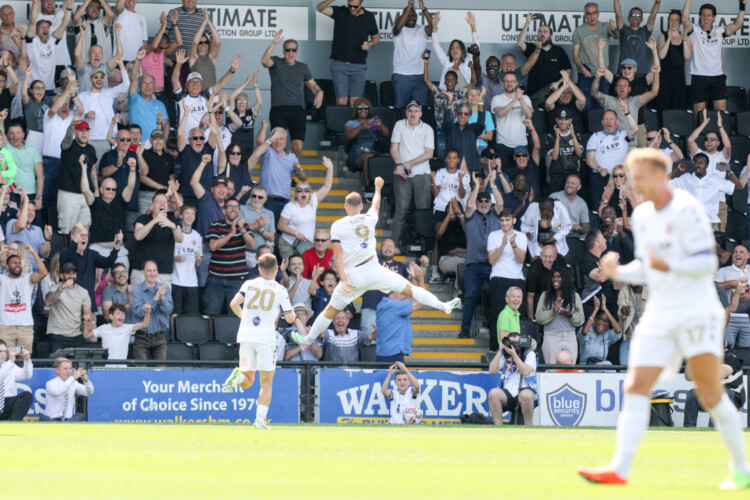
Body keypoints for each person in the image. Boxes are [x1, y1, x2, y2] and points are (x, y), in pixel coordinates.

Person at [577, 148, 750, 490]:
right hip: (662, 311)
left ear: (661, 176)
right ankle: (619, 468)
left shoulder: (688, 210)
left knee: (709, 392)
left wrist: (665, 264)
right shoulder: (642, 216)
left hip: (697, 310)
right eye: (632, 179)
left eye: (639, 178)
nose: (633, 186)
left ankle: (742, 468)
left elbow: (707, 264)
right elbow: (647, 266)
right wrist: (617, 271)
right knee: (636, 385)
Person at [290, 178, 461, 351]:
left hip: (353, 276)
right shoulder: (369, 218)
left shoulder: (338, 225)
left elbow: (338, 255)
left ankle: (307, 340)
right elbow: (376, 204)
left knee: (329, 311)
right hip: (374, 270)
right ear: (361, 207)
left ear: (346, 207)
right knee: (412, 289)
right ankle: (443, 305)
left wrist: (344, 279)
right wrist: (378, 187)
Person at [223, 253, 307, 429]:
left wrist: (245, 318)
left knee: (247, 380)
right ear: (277, 269)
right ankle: (260, 421)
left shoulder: (249, 284)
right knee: (266, 383)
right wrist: (291, 316)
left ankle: (238, 376)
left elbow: (233, 304)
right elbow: (290, 318)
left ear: (259, 269)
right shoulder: (280, 290)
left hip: (246, 335)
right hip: (265, 338)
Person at [261, 31, 323, 161]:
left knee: (298, 146)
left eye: (293, 50)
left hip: (297, 110)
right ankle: (277, 169)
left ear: (297, 52)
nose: (291, 52)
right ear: (283, 51)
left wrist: (320, 92)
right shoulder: (276, 62)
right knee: (277, 143)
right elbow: (264, 61)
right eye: (287, 49)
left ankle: (293, 170)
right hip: (278, 109)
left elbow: (313, 85)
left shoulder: (303, 67)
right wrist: (273, 43)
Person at [682, 0, 746, 119]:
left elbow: (737, 25)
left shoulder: (719, 31)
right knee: (699, 112)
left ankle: (720, 131)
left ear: (714, 17)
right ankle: (697, 131)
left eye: (709, 15)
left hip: (717, 77)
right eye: (703, 15)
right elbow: (685, 20)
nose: (706, 18)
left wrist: (742, 7)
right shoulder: (695, 30)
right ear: (700, 16)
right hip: (699, 77)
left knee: (720, 111)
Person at [459, 172, 505, 338]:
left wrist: (493, 185)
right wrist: (477, 187)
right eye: (481, 201)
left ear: (491, 204)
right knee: (471, 295)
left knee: (497, 297)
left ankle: (495, 329)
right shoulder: (470, 217)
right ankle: (465, 330)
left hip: (494, 265)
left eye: (487, 201)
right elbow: (469, 206)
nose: (484, 203)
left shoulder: (496, 216)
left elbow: (501, 203)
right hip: (474, 265)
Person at [390, 101, 434, 252]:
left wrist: (411, 163)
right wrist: (398, 163)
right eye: (410, 111)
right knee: (401, 210)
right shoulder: (399, 125)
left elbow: (430, 153)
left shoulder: (427, 129)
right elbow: (394, 147)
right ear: (406, 113)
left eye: (416, 111)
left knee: (423, 210)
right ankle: (394, 245)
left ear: (421, 113)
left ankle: (423, 246)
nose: (413, 113)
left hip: (422, 174)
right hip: (402, 175)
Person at [316, 0, 379, 105]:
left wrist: (370, 44)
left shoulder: (369, 17)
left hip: (359, 66)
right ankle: (341, 117)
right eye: (350, 6)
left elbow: (376, 37)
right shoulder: (341, 12)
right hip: (340, 64)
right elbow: (319, 8)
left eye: (355, 6)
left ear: (361, 3)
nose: (352, 9)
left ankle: (352, 117)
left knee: (356, 102)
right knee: (341, 100)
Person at [204, 197, 254, 316]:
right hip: (216, 278)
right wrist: (231, 233)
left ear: (239, 211)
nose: (233, 209)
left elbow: (252, 244)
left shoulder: (244, 226)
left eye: (236, 207)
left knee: (236, 315)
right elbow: (213, 246)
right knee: (211, 313)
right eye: (230, 207)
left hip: (237, 279)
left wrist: (242, 230)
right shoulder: (216, 225)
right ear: (224, 210)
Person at [669, 152, 745, 231]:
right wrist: (677, 170)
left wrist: (729, 171)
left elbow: (739, 187)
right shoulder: (686, 178)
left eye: (701, 163)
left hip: (711, 224)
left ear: (707, 165)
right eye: (696, 163)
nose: (698, 165)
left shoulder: (715, 179)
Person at [277, 156, 334, 259]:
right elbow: (281, 226)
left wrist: (330, 169)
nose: (303, 192)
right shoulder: (290, 206)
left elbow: (327, 186)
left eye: (306, 190)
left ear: (309, 194)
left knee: (306, 266)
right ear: (296, 194)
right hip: (288, 243)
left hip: (305, 244)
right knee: (293, 265)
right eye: (300, 190)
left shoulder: (313, 201)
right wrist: (295, 233)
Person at [253, 123, 308, 228]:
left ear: (285, 141)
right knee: (267, 231)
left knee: (283, 233)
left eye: (281, 139)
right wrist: (264, 127)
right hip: (267, 201)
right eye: (275, 138)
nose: (278, 141)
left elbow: (303, 178)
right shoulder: (267, 151)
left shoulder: (292, 157)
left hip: (286, 203)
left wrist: (299, 169)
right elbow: (260, 141)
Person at [487, 209, 527, 351]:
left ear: (514, 221)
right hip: (498, 278)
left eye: (507, 220)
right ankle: (495, 350)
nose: (504, 223)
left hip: (517, 278)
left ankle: (518, 349)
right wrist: (503, 244)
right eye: (502, 220)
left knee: (517, 315)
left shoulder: (521, 236)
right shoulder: (493, 235)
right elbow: (492, 260)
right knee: (497, 315)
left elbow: (521, 259)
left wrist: (513, 243)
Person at [60, 222, 121, 308]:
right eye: (81, 235)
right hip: (71, 305)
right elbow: (68, 255)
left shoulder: (92, 254)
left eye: (86, 235)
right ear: (73, 237)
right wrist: (74, 241)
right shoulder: (65, 253)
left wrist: (116, 247)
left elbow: (107, 263)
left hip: (89, 305)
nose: (84, 237)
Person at [374, 262, 425, 362]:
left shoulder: (386, 303)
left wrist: (413, 279)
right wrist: (421, 280)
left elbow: (409, 298)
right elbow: (422, 302)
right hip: (392, 356)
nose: (405, 295)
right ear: (397, 292)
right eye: (403, 292)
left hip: (388, 355)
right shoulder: (393, 305)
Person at [0, 244, 47, 353]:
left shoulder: (27, 278)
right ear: (7, 267)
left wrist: (33, 252)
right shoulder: (2, 280)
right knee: (5, 359)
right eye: (14, 262)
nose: (17, 265)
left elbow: (43, 272)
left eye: (19, 263)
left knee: (25, 358)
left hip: (25, 327)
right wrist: (1, 253)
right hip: (5, 327)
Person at [572, 2, 618, 110]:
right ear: (585, 15)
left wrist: (613, 29)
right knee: (586, 106)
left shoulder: (605, 27)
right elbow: (575, 54)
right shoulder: (579, 31)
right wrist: (582, 69)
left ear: (598, 13)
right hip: (585, 75)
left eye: (594, 13)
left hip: (603, 74)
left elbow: (616, 36)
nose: (592, 16)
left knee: (601, 106)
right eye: (589, 13)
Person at [586, 109, 638, 206]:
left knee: (621, 205)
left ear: (617, 122)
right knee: (602, 205)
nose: (609, 122)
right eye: (606, 119)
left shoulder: (623, 135)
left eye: (611, 119)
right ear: (602, 122)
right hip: (602, 176)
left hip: (620, 177)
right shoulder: (595, 137)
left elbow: (635, 129)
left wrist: (626, 112)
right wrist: (600, 169)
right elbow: (589, 160)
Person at [488, 329, 538, 425]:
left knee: (525, 395)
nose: (514, 345)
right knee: (493, 393)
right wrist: (500, 351)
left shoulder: (529, 354)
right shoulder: (505, 356)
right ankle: (498, 428)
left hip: (527, 389)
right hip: (508, 392)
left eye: (516, 343)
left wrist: (514, 355)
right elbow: (492, 370)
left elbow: (525, 372)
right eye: (511, 343)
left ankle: (529, 427)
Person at [133, 190, 184, 285]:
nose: (162, 204)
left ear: (167, 205)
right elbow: (138, 236)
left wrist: (173, 227)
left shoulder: (172, 221)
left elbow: (180, 239)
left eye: (165, 202)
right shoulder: (143, 218)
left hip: (163, 273)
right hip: (142, 272)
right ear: (153, 205)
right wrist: (155, 220)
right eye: (159, 201)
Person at [57, 118, 97, 235]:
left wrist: (96, 190)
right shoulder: (68, 146)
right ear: (75, 132)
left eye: (86, 130)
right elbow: (66, 141)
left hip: (85, 195)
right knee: (67, 230)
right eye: (81, 130)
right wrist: (71, 126)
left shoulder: (91, 149)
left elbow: (93, 171)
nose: (84, 133)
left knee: (84, 232)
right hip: (68, 194)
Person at [22, 0, 74, 90]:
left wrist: (69, 8)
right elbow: (32, 22)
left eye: (47, 27)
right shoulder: (32, 41)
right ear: (36, 30)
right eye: (42, 27)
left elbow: (64, 25)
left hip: (50, 87)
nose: (45, 29)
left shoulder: (52, 41)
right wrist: (35, 2)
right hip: (34, 88)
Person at [536, 268, 584, 364]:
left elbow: (581, 320)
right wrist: (553, 311)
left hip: (570, 336)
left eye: (558, 276)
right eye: (553, 277)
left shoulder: (574, 296)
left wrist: (570, 315)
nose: (555, 279)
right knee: (551, 370)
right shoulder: (545, 295)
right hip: (551, 336)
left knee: (570, 369)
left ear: (565, 279)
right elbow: (539, 318)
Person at [391, 0, 433, 110]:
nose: (411, 18)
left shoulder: (421, 29)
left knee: (420, 109)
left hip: (420, 76)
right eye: (408, 15)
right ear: (403, 16)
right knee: (400, 109)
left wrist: (423, 9)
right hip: (401, 75)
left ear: (417, 16)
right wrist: (409, 7)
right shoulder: (398, 30)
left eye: (413, 15)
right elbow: (398, 27)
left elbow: (433, 26)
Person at [45, 262, 94, 353]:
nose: (71, 276)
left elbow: (87, 314)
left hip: (76, 335)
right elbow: (48, 302)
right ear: (61, 275)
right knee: (58, 361)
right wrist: (62, 287)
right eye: (68, 273)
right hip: (58, 335)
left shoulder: (83, 292)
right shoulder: (55, 288)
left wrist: (88, 327)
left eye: (74, 273)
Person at [130, 260, 173, 360]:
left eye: (154, 270)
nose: (152, 273)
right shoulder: (136, 290)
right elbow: (139, 312)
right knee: (142, 369)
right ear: (143, 272)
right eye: (149, 271)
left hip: (160, 337)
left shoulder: (165, 289)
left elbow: (168, 311)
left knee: (160, 369)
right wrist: (156, 299)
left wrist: (162, 298)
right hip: (142, 338)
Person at [491, 72, 533, 168]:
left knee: (521, 174)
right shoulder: (497, 99)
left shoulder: (525, 98)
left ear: (516, 83)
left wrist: (520, 99)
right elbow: (501, 113)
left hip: (521, 144)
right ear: (503, 83)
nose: (509, 84)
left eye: (512, 81)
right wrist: (515, 100)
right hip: (503, 144)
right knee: (503, 173)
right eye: (506, 81)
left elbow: (529, 114)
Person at [429, 10, 478, 90]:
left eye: (457, 47)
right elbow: (436, 46)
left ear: (462, 50)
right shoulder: (446, 61)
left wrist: (473, 26)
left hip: (465, 96)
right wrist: (434, 26)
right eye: (452, 48)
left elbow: (475, 47)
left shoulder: (468, 61)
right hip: (447, 96)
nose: (454, 49)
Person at [86, 302, 150, 361]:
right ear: (111, 316)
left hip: (122, 366)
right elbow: (86, 335)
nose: (121, 316)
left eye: (123, 314)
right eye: (118, 313)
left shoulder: (127, 328)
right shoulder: (103, 328)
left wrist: (148, 312)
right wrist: (87, 322)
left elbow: (145, 324)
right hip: (107, 366)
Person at [715, 245, 750, 349]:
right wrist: (731, 283)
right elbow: (713, 287)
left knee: (747, 351)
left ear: (748, 256)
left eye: (741, 252)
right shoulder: (723, 271)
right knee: (727, 349)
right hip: (728, 318)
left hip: (748, 318)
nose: (737, 254)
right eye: (735, 252)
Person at [344, 97, 390, 176]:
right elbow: (348, 137)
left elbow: (386, 134)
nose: (363, 110)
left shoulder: (372, 122)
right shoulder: (351, 123)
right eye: (360, 108)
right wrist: (360, 126)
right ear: (356, 109)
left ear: (369, 109)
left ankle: (387, 181)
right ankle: (369, 183)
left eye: (366, 108)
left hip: (374, 151)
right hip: (357, 154)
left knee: (387, 157)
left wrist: (381, 125)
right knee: (368, 158)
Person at [656, 9, 691, 110]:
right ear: (668, 21)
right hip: (665, 77)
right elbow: (661, 55)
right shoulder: (662, 37)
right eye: (671, 19)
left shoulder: (685, 38)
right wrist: (669, 39)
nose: (674, 22)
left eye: (676, 20)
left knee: (678, 105)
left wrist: (684, 39)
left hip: (679, 77)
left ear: (680, 22)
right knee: (664, 104)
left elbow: (687, 56)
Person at [171, 203, 201, 316]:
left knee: (191, 316)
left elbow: (198, 264)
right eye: (187, 213)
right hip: (175, 281)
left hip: (192, 283)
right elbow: (166, 256)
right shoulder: (174, 234)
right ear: (181, 216)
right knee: (175, 314)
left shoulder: (197, 236)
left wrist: (198, 259)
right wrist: (176, 258)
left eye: (192, 214)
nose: (190, 216)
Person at [613, 0, 660, 71]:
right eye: (632, 15)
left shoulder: (645, 31)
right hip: (624, 71)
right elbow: (618, 14)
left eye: (638, 16)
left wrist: (657, 3)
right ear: (628, 18)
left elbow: (653, 16)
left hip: (641, 72)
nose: (635, 17)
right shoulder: (624, 30)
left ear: (642, 19)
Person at [546, 109, 582, 194]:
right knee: (555, 199)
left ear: (570, 120)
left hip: (572, 173)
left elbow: (579, 153)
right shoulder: (551, 136)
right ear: (556, 120)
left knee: (571, 198)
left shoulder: (576, 135)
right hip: (557, 175)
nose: (563, 122)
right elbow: (554, 157)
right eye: (560, 119)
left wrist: (573, 135)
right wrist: (557, 138)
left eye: (566, 119)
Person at [578, 295, 622, 365]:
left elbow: (618, 331)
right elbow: (584, 332)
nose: (603, 323)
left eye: (606, 321)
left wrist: (605, 309)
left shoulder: (607, 334)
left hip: (600, 367)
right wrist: (595, 310)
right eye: (601, 319)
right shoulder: (587, 330)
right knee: (608, 364)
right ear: (595, 319)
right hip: (585, 367)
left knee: (608, 365)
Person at [687, 109, 731, 177]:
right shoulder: (699, 155)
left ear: (718, 143)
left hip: (718, 184)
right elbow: (690, 140)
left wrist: (720, 126)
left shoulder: (722, 156)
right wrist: (704, 123)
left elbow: (727, 146)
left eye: (712, 139)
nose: (709, 141)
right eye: (706, 139)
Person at [550, 174, 590, 241]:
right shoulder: (554, 197)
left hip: (575, 235)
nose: (569, 185)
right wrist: (568, 227)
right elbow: (549, 223)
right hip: (557, 231)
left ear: (579, 187)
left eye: (573, 183)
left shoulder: (582, 203)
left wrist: (580, 228)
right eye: (567, 182)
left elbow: (586, 226)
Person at [0, 341, 32, 421]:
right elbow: (1, 376)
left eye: (4, 351)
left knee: (27, 395)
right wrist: (11, 361)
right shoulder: (10, 364)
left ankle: (13, 422)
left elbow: (26, 375)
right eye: (0, 351)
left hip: (8, 402)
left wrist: (27, 359)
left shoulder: (10, 365)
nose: (3, 354)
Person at [617, 283, 647, 365]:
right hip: (628, 339)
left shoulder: (649, 293)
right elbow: (621, 313)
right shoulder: (624, 290)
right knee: (623, 370)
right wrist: (622, 310)